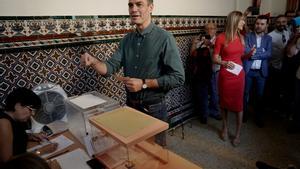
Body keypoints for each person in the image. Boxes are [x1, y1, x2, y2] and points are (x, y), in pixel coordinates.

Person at [80, 0, 185, 146]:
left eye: (139, 4)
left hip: (154, 109)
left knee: (155, 157)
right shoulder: (126, 40)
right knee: (135, 151)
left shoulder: (165, 38)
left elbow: (178, 78)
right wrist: (94, 61)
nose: (133, 9)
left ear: (151, 7)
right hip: (131, 106)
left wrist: (143, 83)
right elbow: (110, 67)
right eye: (130, 5)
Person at [213, 11, 254, 146]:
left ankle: (237, 134)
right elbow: (214, 57)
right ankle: (225, 127)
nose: (244, 23)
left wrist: (249, 54)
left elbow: (240, 57)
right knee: (224, 103)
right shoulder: (221, 38)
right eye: (242, 20)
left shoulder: (242, 36)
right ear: (235, 21)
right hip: (226, 75)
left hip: (239, 75)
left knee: (238, 105)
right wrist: (224, 63)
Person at [0, 88, 58, 164]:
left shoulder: (15, 119)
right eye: (31, 109)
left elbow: (13, 136)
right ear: (17, 105)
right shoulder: (3, 123)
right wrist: (41, 151)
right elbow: (8, 162)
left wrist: (30, 136)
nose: (33, 114)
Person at [243, 15, 272, 128]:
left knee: (260, 95)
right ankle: (244, 114)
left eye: (262, 24)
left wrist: (254, 52)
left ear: (266, 25)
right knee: (246, 94)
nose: (259, 26)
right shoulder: (247, 36)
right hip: (249, 71)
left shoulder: (268, 38)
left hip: (261, 72)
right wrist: (262, 51)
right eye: (257, 23)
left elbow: (269, 54)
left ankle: (258, 117)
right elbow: (246, 51)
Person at [189, 22, 221, 124]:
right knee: (202, 94)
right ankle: (204, 114)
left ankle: (215, 112)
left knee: (214, 93)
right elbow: (192, 54)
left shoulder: (218, 40)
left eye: (211, 28)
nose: (209, 31)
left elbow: (218, 57)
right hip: (201, 72)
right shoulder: (201, 40)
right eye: (207, 29)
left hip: (214, 70)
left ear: (216, 30)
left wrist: (210, 45)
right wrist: (194, 43)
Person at [267, 15, 291, 114]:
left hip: (285, 65)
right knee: (273, 88)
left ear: (286, 22)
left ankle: (279, 107)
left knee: (283, 88)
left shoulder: (288, 32)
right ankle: (272, 107)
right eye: (279, 22)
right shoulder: (270, 36)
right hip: (274, 66)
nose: (281, 24)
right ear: (275, 23)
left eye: (283, 22)